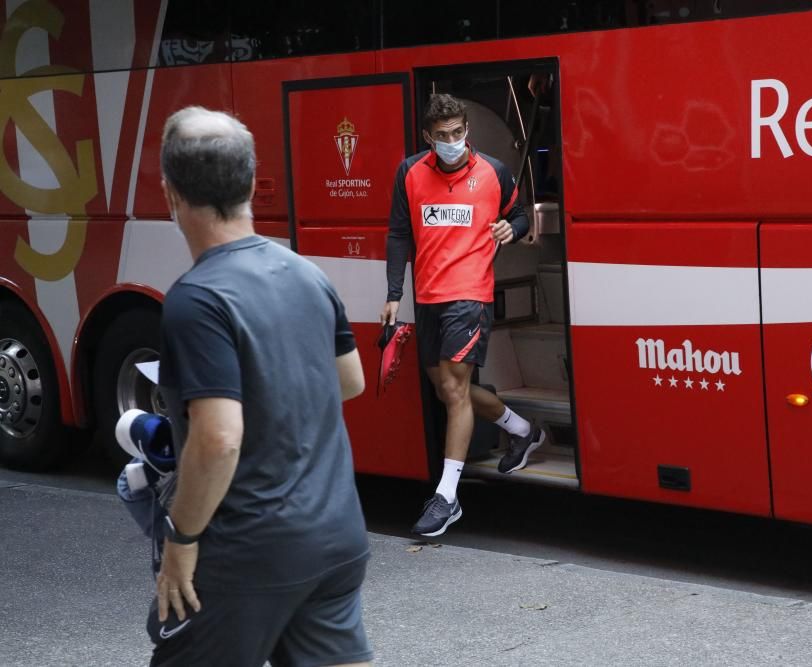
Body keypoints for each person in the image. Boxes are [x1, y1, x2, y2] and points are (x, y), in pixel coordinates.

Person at [151, 106, 372, 666]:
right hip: (337, 535)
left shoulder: (196, 299)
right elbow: (350, 381)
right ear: (251, 183)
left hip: (249, 551)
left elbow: (220, 438)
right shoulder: (306, 272)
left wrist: (180, 541)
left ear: (170, 193)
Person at [382, 93, 545, 538]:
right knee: (447, 388)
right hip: (428, 296)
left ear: (466, 130)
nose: (451, 141)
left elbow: (521, 214)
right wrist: (395, 294)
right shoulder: (410, 172)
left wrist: (513, 227)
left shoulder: (494, 171)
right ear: (427, 137)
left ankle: (447, 497)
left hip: (471, 295)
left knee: (454, 386)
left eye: (457, 133)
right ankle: (524, 429)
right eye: (442, 136)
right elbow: (399, 234)